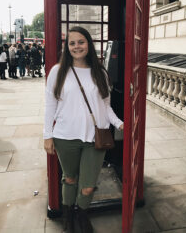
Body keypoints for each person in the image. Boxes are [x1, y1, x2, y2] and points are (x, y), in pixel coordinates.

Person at [43, 26, 124, 233]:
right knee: (70, 179)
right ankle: (68, 216)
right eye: (72, 43)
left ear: (89, 44)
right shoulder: (57, 71)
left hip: (95, 137)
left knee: (88, 185)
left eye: (81, 42)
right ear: (67, 47)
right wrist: (47, 135)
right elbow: (50, 105)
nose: (77, 46)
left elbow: (106, 105)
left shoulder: (100, 73)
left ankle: (82, 213)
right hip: (65, 136)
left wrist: (118, 123)